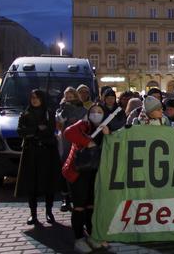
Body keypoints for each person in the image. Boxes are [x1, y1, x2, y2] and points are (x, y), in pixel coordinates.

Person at [63, 103, 112, 252]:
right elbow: (68, 132)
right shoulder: (83, 125)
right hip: (77, 173)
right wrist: (88, 141)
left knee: (91, 205)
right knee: (79, 206)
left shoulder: (105, 128)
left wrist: (108, 134)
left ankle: (92, 236)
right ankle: (79, 239)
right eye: (93, 112)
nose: (96, 114)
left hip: (94, 173)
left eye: (100, 112)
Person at [14, 89, 60, 225]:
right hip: (31, 152)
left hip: (47, 151)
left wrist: (36, 132)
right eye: (32, 97)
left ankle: (49, 212)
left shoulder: (49, 113)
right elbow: (20, 131)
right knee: (31, 184)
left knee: (48, 183)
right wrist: (35, 130)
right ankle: (33, 214)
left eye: (37, 97)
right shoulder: (25, 113)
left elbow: (50, 130)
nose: (34, 100)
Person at [55, 87, 87, 212]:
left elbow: (85, 124)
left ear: (75, 97)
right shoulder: (60, 109)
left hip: (77, 142)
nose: (68, 99)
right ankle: (65, 197)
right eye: (66, 97)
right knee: (65, 167)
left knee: (77, 167)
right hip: (64, 142)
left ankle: (76, 196)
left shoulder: (82, 109)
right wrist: (64, 113)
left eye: (71, 97)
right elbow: (59, 123)